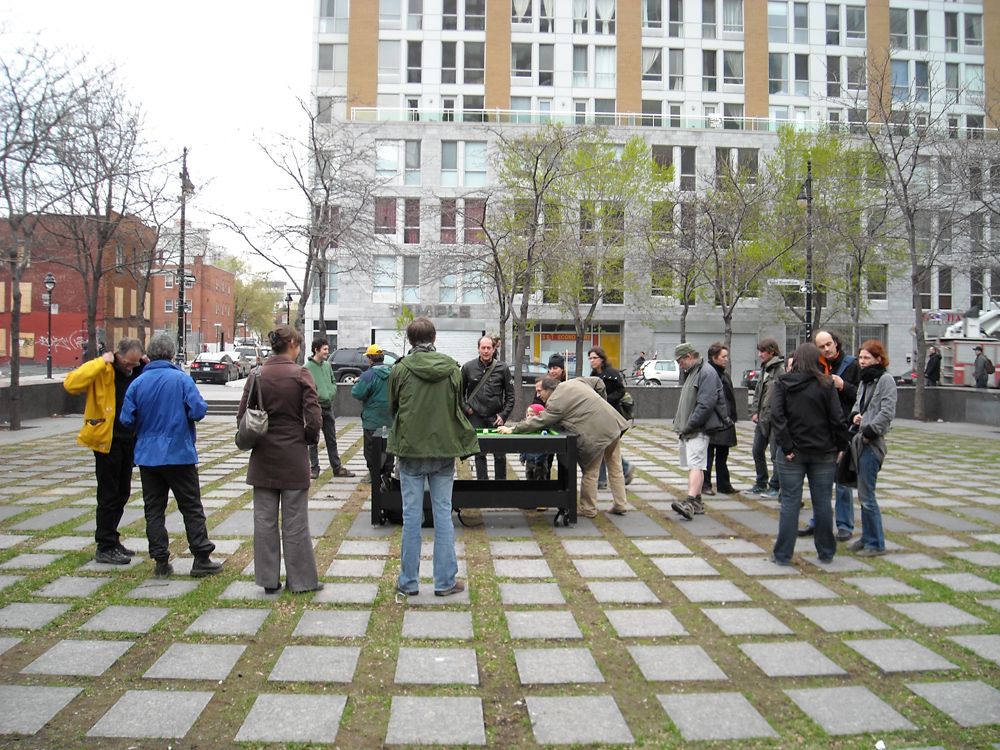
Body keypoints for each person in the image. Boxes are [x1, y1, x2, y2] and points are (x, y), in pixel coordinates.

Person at [119, 334, 223, 579]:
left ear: (149, 355)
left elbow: (126, 419)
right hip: (179, 453)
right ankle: (201, 557)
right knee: (191, 507)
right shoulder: (181, 380)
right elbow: (198, 410)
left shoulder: (138, 383)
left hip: (148, 456)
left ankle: (161, 561)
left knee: (154, 509)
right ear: (172, 354)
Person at [389, 317, 478, 597]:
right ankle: (445, 581)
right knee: (443, 515)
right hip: (443, 450)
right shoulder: (452, 369)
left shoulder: (400, 369)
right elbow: (458, 407)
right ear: (434, 338)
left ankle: (408, 582)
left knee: (411, 517)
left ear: (410, 339)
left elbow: (393, 407)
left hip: (410, 450)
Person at [239, 325, 324, 594]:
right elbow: (313, 416)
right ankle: (301, 581)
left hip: (263, 455)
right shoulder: (301, 374)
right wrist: (308, 439)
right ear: (291, 344)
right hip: (293, 454)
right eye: (298, 344)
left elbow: (242, 414)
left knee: (263, 522)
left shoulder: (256, 374)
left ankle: (268, 580)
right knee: (296, 521)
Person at [64, 337, 146, 565]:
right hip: (106, 440)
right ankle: (105, 545)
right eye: (127, 363)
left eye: (134, 363)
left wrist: (146, 363)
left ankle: (112, 537)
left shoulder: (138, 369)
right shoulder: (103, 370)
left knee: (122, 493)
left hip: (128, 440)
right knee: (108, 495)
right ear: (116, 355)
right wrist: (100, 362)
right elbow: (71, 384)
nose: (130, 368)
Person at [499, 376, 630, 518]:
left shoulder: (556, 402)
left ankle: (588, 509)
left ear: (549, 389)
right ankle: (620, 504)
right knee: (615, 468)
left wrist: (514, 429)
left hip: (596, 436)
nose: (538, 395)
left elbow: (539, 421)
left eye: (539, 391)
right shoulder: (575, 381)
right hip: (612, 423)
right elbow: (598, 382)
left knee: (590, 472)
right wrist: (600, 403)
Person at [769, 343, 850, 566]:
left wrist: (787, 447)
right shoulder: (826, 384)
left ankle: (782, 554)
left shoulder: (783, 383)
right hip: (823, 452)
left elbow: (777, 416)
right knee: (823, 503)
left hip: (792, 454)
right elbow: (837, 418)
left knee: (790, 503)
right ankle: (826, 551)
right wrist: (840, 446)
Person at [799, 329, 860, 541]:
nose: (827, 349)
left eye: (829, 344)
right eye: (822, 347)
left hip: (843, 429)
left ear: (836, 342)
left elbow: (860, 397)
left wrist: (844, 386)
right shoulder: (817, 367)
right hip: (821, 430)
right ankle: (819, 521)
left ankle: (845, 525)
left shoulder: (851, 365)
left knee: (842, 482)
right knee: (819, 482)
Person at [846, 340, 897, 557]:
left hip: (872, 443)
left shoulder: (885, 380)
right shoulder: (865, 381)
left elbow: (886, 412)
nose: (862, 361)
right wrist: (855, 416)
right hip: (859, 440)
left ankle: (876, 543)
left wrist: (869, 429)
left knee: (868, 496)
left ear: (878, 358)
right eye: (860, 357)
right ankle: (867, 536)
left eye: (867, 357)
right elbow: (859, 405)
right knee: (863, 494)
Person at [670, 342, 728, 521]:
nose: (680, 365)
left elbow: (705, 405)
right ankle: (696, 502)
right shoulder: (696, 372)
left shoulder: (705, 373)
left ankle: (690, 502)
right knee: (697, 465)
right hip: (691, 428)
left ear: (689, 357)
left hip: (697, 429)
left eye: (680, 361)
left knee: (696, 465)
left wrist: (689, 426)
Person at [461, 335, 515, 480]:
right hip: (475, 416)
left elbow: (510, 396)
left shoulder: (503, 368)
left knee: (499, 454)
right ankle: (482, 486)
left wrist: (503, 415)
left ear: (493, 349)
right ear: (478, 349)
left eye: (488, 348)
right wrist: (467, 408)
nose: (486, 351)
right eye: (483, 348)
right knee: (479, 454)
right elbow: (458, 394)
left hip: (495, 417)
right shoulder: (467, 367)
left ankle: (500, 486)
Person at [305, 336, 354, 480]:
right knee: (313, 441)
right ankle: (314, 468)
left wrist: (331, 393)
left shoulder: (327, 365)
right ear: (316, 350)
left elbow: (333, 381)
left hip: (328, 408)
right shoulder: (307, 368)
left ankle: (337, 468)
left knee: (331, 439)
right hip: (315, 409)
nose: (328, 351)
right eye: (325, 349)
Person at [588, 346, 636, 488]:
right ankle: (613, 474)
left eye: (594, 358)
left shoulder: (611, 373)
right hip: (599, 416)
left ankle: (606, 478)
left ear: (601, 359)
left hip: (613, 415)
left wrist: (606, 400)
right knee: (604, 446)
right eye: (590, 358)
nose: (592, 361)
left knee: (604, 446)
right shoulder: (592, 374)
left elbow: (621, 390)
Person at [745, 339, 784, 499]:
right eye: (759, 351)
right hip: (762, 419)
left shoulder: (780, 370)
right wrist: (754, 411)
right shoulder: (765, 370)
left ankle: (775, 486)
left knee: (775, 455)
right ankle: (761, 482)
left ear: (772, 351)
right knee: (757, 451)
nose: (760, 355)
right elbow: (758, 393)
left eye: (762, 351)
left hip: (774, 420)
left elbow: (778, 397)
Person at [351, 344, 394, 488]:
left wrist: (357, 383)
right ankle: (387, 473)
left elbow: (358, 393)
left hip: (372, 419)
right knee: (388, 446)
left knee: (370, 448)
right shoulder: (393, 373)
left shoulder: (368, 375)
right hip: (389, 418)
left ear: (370, 359)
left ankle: (373, 473)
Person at [703, 342, 738, 495]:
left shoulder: (723, 373)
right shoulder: (711, 374)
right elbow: (713, 399)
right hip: (715, 421)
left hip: (725, 420)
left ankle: (723, 484)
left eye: (726, 356)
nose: (726, 359)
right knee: (709, 455)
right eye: (723, 357)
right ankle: (706, 485)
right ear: (714, 357)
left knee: (722, 455)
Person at [519, 404, 550, 481]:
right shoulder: (526, 430)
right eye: (527, 414)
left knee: (540, 479)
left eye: (532, 415)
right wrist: (522, 457)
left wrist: (539, 460)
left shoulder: (543, 431)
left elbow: (545, 448)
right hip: (529, 461)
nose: (529, 417)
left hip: (539, 463)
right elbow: (523, 445)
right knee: (529, 477)